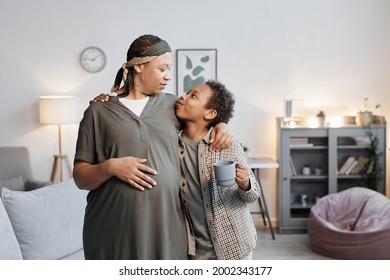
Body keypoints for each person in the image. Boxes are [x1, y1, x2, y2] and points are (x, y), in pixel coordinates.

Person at [73, 34, 232, 260]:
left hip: (166, 230)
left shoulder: (173, 105)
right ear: (139, 67)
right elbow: (80, 178)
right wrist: (110, 167)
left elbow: (205, 118)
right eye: (162, 69)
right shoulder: (98, 112)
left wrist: (222, 125)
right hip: (111, 229)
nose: (168, 76)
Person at [175, 80, 260, 260]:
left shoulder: (227, 144)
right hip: (194, 248)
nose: (184, 96)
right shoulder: (172, 143)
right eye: (187, 92)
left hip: (235, 244)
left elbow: (253, 195)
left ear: (210, 113)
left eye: (193, 96)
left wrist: (245, 183)